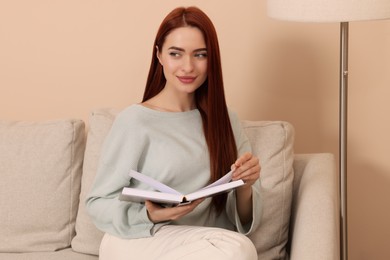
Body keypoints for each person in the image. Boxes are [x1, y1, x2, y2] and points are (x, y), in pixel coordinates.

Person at [86, 6, 262, 260]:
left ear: (212, 58)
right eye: (176, 54)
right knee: (237, 249)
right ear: (159, 55)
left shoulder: (226, 121)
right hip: (138, 238)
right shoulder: (135, 121)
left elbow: (242, 219)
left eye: (200, 55)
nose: (188, 66)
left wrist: (245, 186)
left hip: (203, 247)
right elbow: (97, 203)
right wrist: (150, 214)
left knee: (236, 248)